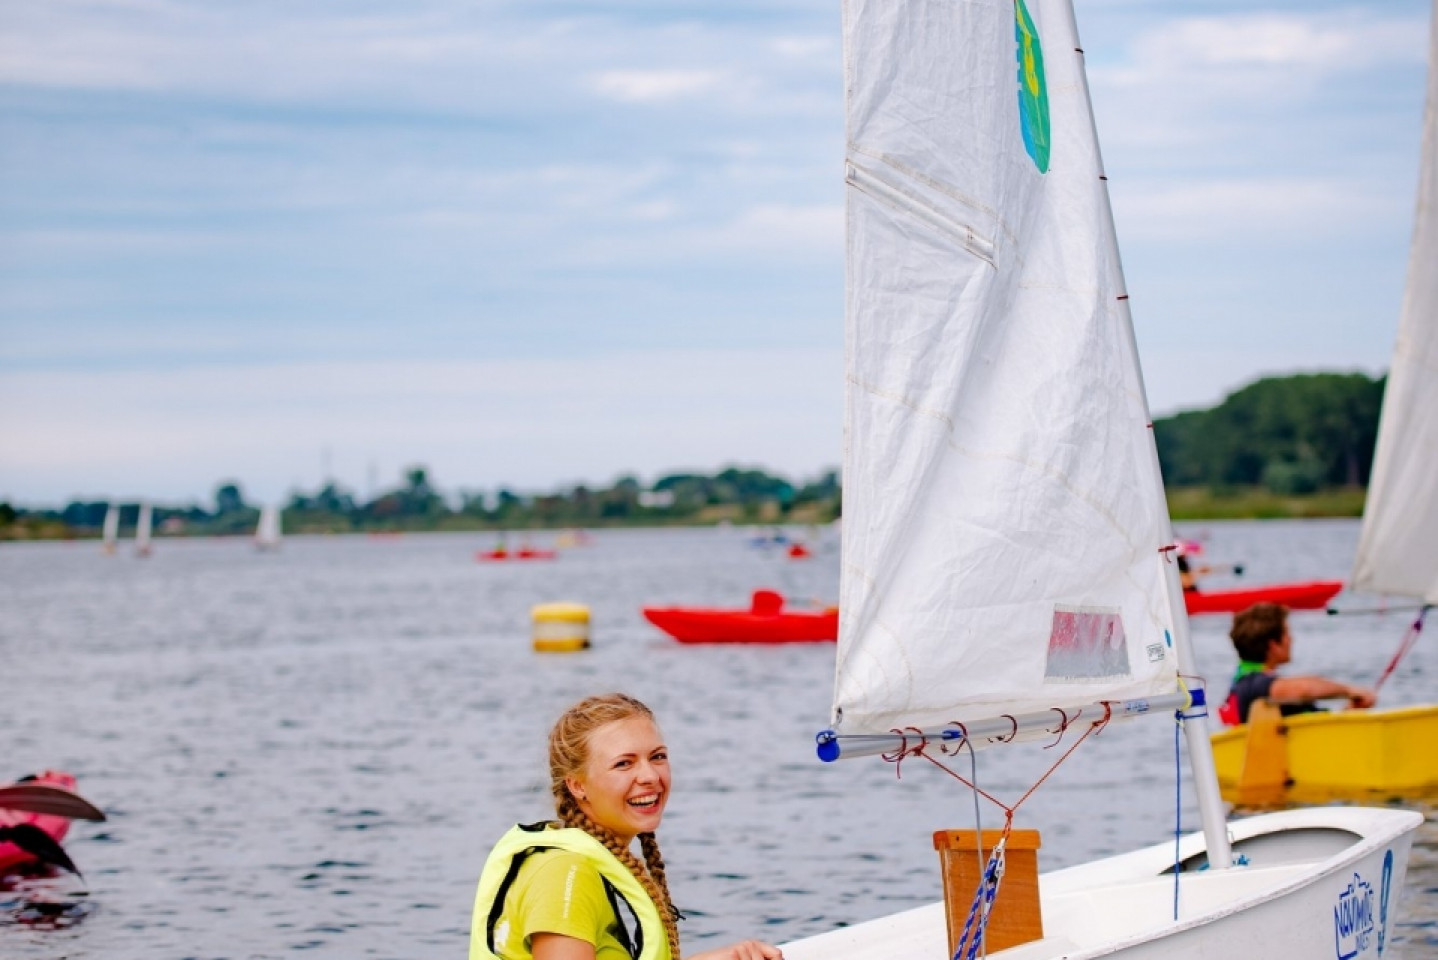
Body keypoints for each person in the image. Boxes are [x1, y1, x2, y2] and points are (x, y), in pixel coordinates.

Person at [470, 693, 783, 960]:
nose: (649, 776)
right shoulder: (565, 871)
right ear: (578, 786)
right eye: (624, 763)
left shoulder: (586, 859)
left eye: (657, 757)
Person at [1217, 602, 1376, 726]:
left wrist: (1351, 711)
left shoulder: (1249, 683)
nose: (1292, 640)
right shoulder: (1253, 684)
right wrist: (1350, 690)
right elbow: (1302, 689)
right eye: (1287, 634)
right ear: (1273, 645)